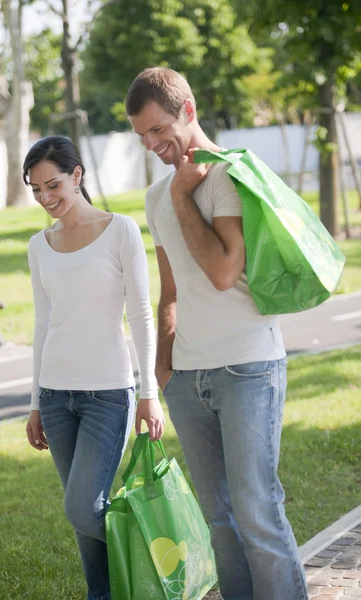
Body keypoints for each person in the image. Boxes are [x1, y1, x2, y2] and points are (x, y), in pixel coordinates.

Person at [126, 68, 309, 600]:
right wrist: (164, 367)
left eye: (159, 129)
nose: (153, 144)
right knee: (219, 523)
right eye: (142, 136)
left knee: (257, 515)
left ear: (188, 111)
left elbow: (224, 270)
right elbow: (171, 291)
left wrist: (185, 197)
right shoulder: (156, 196)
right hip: (188, 376)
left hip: (248, 368)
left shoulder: (229, 175)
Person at [23, 135, 164, 600]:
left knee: (83, 508)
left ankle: (160, 559)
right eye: (36, 190)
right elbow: (44, 324)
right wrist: (36, 402)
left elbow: (142, 314)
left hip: (109, 394)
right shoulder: (39, 246)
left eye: (53, 185)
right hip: (56, 397)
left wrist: (149, 393)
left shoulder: (120, 230)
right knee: (85, 518)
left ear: (77, 175)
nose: (46, 198)